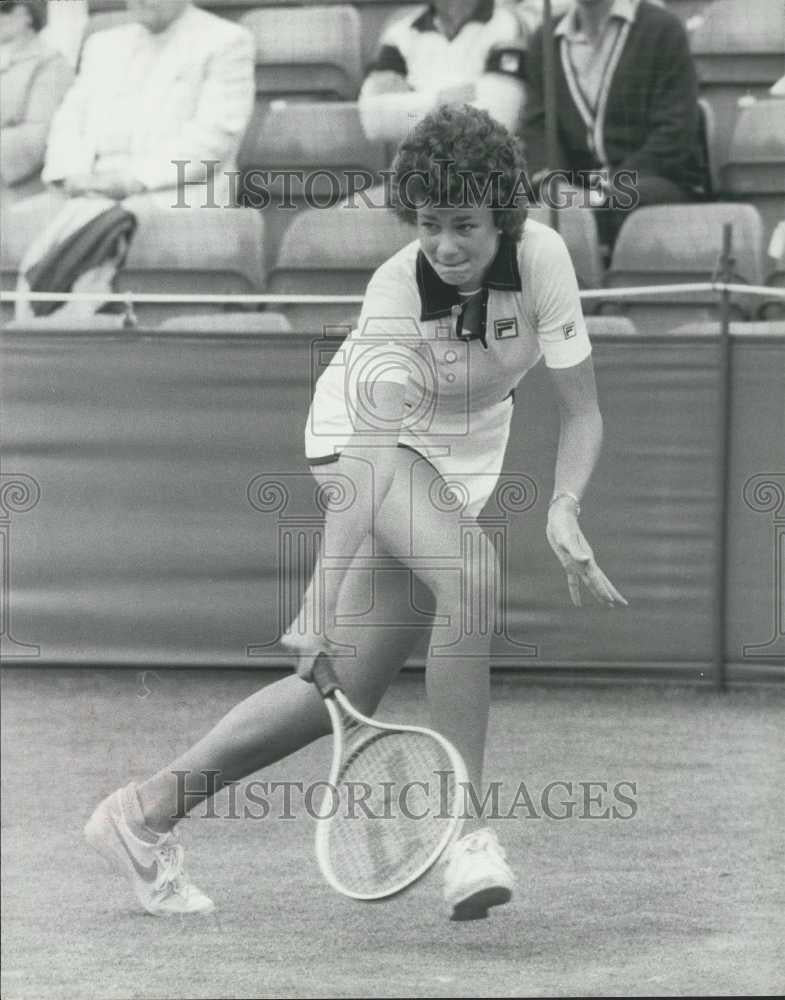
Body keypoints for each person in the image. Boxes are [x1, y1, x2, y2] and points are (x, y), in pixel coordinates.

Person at [84, 104, 627, 922]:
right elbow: (369, 465)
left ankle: (144, 812)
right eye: (432, 224)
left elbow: (582, 413)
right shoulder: (392, 295)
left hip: (464, 449)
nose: (447, 245)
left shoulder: (544, 258)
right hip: (362, 442)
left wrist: (563, 507)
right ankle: (468, 835)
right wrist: (318, 606)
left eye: (466, 225)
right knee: (470, 572)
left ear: (502, 216)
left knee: (348, 688)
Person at [523, 0, 706, 248]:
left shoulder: (662, 29)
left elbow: (674, 135)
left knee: (625, 201)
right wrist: (555, 186)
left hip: (652, 183)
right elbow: (537, 130)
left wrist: (601, 191)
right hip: (575, 188)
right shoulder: (544, 39)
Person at [40, 0, 254, 207]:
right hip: (90, 191)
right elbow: (68, 121)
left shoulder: (225, 41)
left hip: (174, 193)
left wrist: (131, 180)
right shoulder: (102, 44)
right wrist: (69, 175)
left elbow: (214, 138)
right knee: (21, 223)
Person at [358, 0, 527, 143]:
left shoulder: (508, 25)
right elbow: (373, 121)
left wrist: (406, 106)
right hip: (415, 173)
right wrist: (440, 99)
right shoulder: (400, 32)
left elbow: (496, 122)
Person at [0, 0, 73, 204]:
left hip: (23, 193)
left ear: (29, 15)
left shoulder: (51, 64)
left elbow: (38, 138)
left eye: (4, 8)